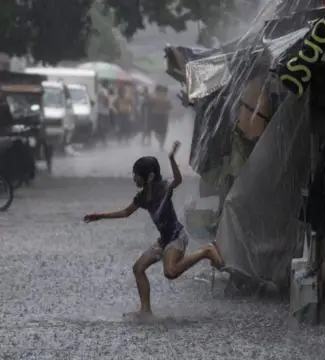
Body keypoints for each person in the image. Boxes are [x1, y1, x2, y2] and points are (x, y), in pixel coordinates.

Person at [82, 141, 225, 320]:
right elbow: (126, 212)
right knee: (138, 268)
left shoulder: (163, 189)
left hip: (176, 237)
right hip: (164, 240)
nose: (134, 179)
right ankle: (145, 310)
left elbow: (178, 180)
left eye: (137, 175)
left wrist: (172, 159)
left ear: (149, 176)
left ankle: (206, 251)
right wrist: (100, 216)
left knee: (170, 272)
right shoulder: (142, 197)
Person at [149, 85, 172, 150]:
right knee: (159, 131)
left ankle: (161, 144)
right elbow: (170, 107)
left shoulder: (165, 99)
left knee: (161, 131)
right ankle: (161, 143)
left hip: (162, 116)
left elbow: (169, 107)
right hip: (159, 116)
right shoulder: (155, 98)